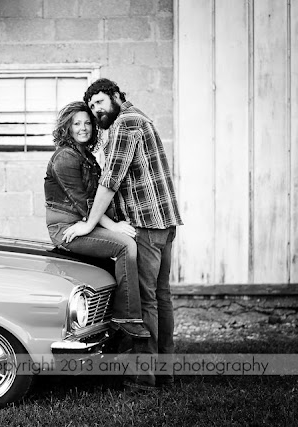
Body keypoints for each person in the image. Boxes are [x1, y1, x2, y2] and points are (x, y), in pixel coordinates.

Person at [62, 78, 183, 390]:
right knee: (161, 297)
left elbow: (110, 180)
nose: (96, 110)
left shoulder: (125, 124)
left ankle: (144, 378)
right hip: (164, 224)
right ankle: (164, 373)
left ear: (116, 96)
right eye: (91, 107)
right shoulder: (141, 118)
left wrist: (89, 224)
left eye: (100, 102)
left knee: (145, 302)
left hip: (145, 224)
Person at [44, 101, 149, 339]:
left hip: (84, 222)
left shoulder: (85, 155)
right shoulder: (64, 158)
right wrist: (113, 226)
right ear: (67, 127)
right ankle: (127, 318)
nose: (83, 128)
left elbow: (98, 196)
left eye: (88, 123)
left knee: (123, 254)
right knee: (125, 245)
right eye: (77, 123)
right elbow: (84, 202)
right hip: (67, 228)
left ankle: (108, 320)